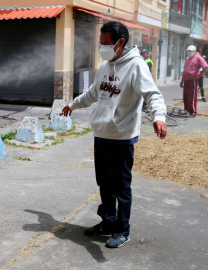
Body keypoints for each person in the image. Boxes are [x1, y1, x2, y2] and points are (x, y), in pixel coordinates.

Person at [62, 21, 167, 248]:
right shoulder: (106, 65)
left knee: (121, 187)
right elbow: (93, 93)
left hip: (121, 136)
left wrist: (159, 117)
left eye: (106, 44)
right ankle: (108, 222)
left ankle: (122, 230)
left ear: (121, 43)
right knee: (104, 184)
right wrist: (73, 105)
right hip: (101, 134)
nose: (102, 48)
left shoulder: (136, 66)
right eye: (101, 44)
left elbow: (152, 94)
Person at [180, 46, 208, 116]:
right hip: (186, 80)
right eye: (188, 51)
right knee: (185, 97)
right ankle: (186, 111)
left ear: (194, 51)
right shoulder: (187, 58)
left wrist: (199, 75)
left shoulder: (198, 57)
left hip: (192, 80)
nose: (189, 53)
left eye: (191, 51)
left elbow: (205, 66)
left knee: (191, 96)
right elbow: (185, 70)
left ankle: (192, 112)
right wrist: (182, 81)